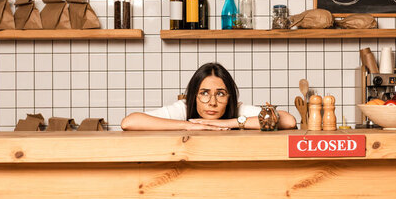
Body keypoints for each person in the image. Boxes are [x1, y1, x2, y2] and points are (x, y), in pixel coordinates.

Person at [121, 62, 297, 130]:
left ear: (229, 97)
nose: (212, 102)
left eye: (220, 94)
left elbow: (289, 121)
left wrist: (229, 122)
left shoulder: (237, 109)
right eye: (204, 93)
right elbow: (129, 122)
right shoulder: (183, 109)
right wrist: (190, 126)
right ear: (194, 95)